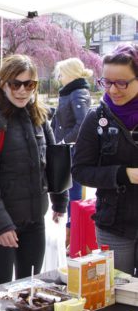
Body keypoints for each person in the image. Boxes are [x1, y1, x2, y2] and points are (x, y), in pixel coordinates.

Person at [0, 55, 68, 287]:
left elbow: (53, 161)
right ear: (3, 83)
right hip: (0, 224)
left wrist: (59, 201)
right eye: (16, 84)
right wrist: (2, 225)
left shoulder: (39, 116)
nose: (22, 91)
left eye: (29, 84)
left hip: (34, 218)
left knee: (31, 286)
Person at [72, 44, 138, 275]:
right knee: (118, 297)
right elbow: (80, 170)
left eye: (122, 83)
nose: (113, 90)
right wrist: (123, 174)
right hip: (114, 223)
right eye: (106, 82)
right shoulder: (96, 118)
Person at [53, 58, 93, 248]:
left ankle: (75, 236)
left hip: (72, 150)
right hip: (67, 149)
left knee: (74, 194)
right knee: (71, 192)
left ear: (70, 73)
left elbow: (82, 124)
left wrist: (63, 140)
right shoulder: (71, 92)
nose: (59, 78)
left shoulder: (77, 93)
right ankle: (73, 236)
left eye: (61, 73)